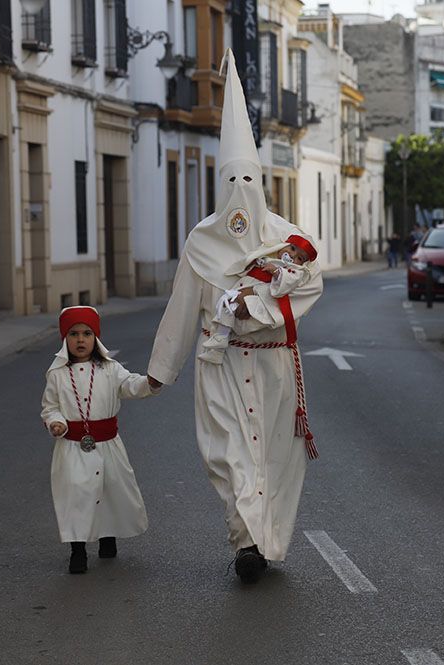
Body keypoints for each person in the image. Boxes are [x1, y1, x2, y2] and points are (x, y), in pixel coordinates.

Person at [147, 49, 324, 585]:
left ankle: (265, 541)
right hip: (219, 365)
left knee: (274, 460)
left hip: (273, 368)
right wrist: (162, 368)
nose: (240, 195)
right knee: (226, 456)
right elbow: (182, 306)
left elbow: (310, 285)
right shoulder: (202, 242)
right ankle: (245, 541)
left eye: (248, 180)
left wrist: (261, 305)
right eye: (231, 183)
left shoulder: (287, 239)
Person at [40, 306, 161, 574]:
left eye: (87, 333)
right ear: (64, 338)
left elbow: (129, 385)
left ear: (96, 338)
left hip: (108, 444)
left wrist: (149, 384)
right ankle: (78, 550)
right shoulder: (57, 374)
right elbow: (50, 406)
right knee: (76, 495)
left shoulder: (110, 369)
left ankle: (108, 538)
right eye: (73, 334)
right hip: (72, 446)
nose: (80, 340)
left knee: (110, 491)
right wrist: (56, 422)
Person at [199, 234, 318, 365]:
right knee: (225, 307)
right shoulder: (270, 256)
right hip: (240, 288)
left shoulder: (295, 272)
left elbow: (287, 283)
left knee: (236, 314)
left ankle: (219, 344)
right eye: (292, 248)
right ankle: (218, 343)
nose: (291, 256)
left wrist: (277, 272)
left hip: (255, 296)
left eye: (299, 258)